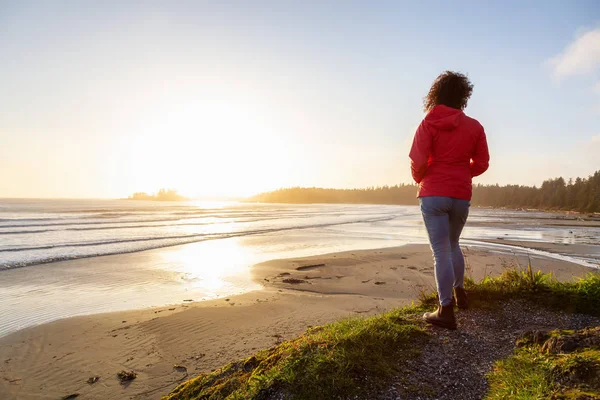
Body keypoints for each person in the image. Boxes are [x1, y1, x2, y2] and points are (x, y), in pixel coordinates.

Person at [409, 71, 490, 330]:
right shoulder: (475, 127)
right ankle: (460, 293)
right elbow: (482, 163)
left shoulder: (428, 123)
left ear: (437, 94)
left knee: (441, 250)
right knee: (453, 244)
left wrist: (422, 178)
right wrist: (463, 172)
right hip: (460, 194)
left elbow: (417, 161)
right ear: (463, 96)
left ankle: (445, 310)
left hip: (434, 193)